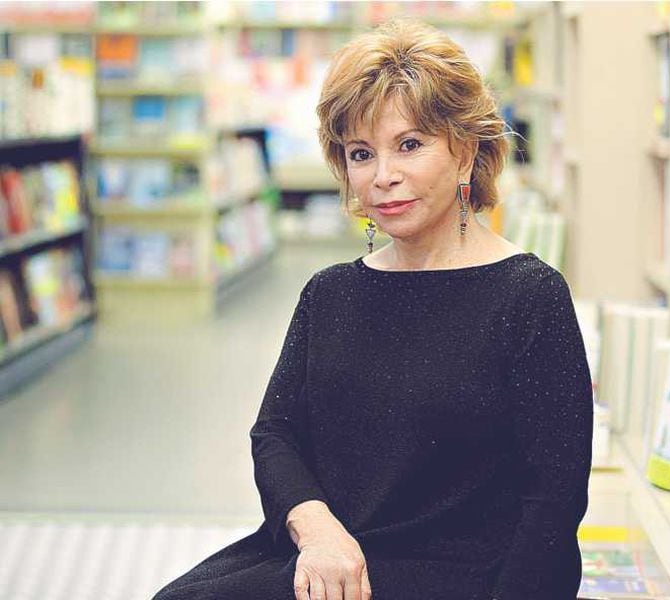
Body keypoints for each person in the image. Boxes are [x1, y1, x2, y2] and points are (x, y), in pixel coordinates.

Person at [153, 18, 592, 600]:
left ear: (465, 152)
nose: (383, 177)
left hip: (458, 574)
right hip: (331, 560)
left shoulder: (530, 295)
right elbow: (275, 435)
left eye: (409, 145)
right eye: (362, 154)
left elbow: (552, 505)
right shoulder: (330, 293)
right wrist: (317, 530)